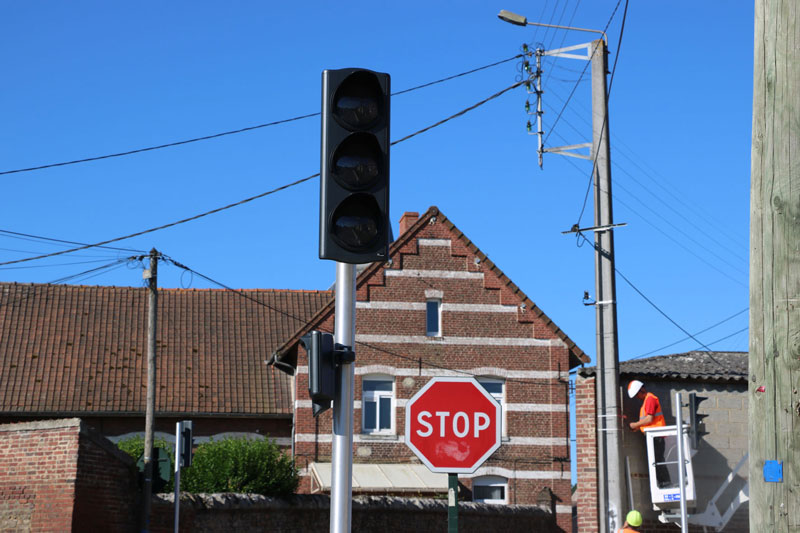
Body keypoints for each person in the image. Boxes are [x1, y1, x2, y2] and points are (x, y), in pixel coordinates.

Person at [627, 379, 670, 487]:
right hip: (654, 435)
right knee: (656, 459)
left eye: (637, 395)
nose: (637, 397)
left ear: (641, 390)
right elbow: (648, 421)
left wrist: (635, 425)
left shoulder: (650, 399)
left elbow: (649, 419)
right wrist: (639, 427)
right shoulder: (647, 400)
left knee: (657, 459)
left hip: (656, 435)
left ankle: (664, 482)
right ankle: (663, 482)